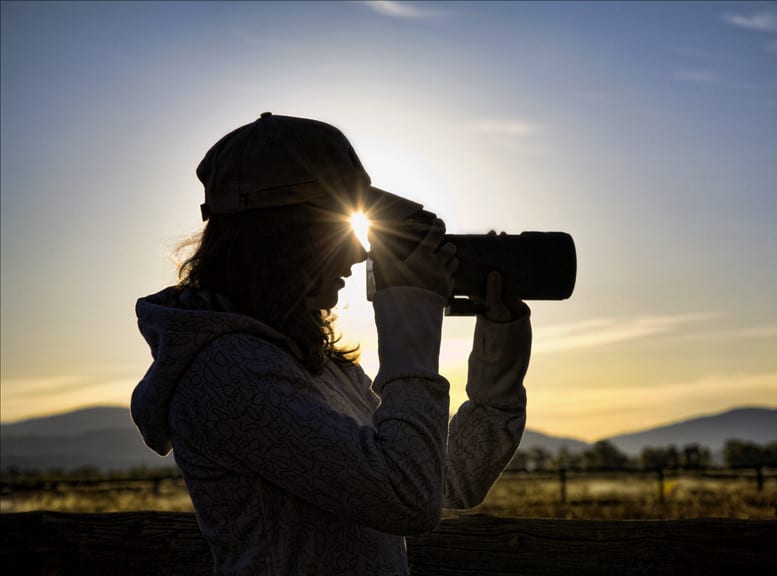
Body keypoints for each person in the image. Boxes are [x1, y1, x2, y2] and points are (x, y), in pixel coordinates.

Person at [131, 113, 531, 575]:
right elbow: (409, 498)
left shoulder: (311, 363)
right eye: (336, 224)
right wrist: (410, 317)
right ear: (278, 236)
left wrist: (498, 354)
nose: (360, 249)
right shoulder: (227, 374)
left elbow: (447, 481)